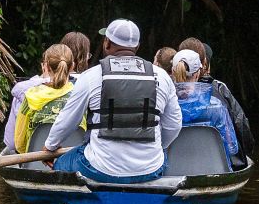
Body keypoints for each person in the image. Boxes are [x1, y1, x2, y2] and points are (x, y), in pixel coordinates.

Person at [44, 19, 183, 182]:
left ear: (107, 43)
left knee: (61, 163)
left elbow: (68, 120)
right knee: (162, 157)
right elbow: (174, 124)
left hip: (100, 168)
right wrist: (158, 148)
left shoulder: (91, 76)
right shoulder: (162, 76)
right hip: (150, 169)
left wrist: (50, 146)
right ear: (137, 47)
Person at [4, 30, 91, 152]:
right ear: (71, 66)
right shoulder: (84, 95)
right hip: (72, 163)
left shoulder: (29, 96)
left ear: (45, 66)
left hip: (33, 164)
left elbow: (14, 144)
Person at [178, 37, 255, 162]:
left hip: (176, 162)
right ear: (204, 64)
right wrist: (245, 152)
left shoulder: (166, 93)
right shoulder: (218, 93)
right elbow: (240, 126)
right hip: (216, 163)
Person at [171, 49, 239, 162]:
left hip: (173, 171)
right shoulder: (216, 107)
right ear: (198, 73)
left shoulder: (164, 107)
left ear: (173, 72)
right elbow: (232, 148)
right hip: (214, 168)